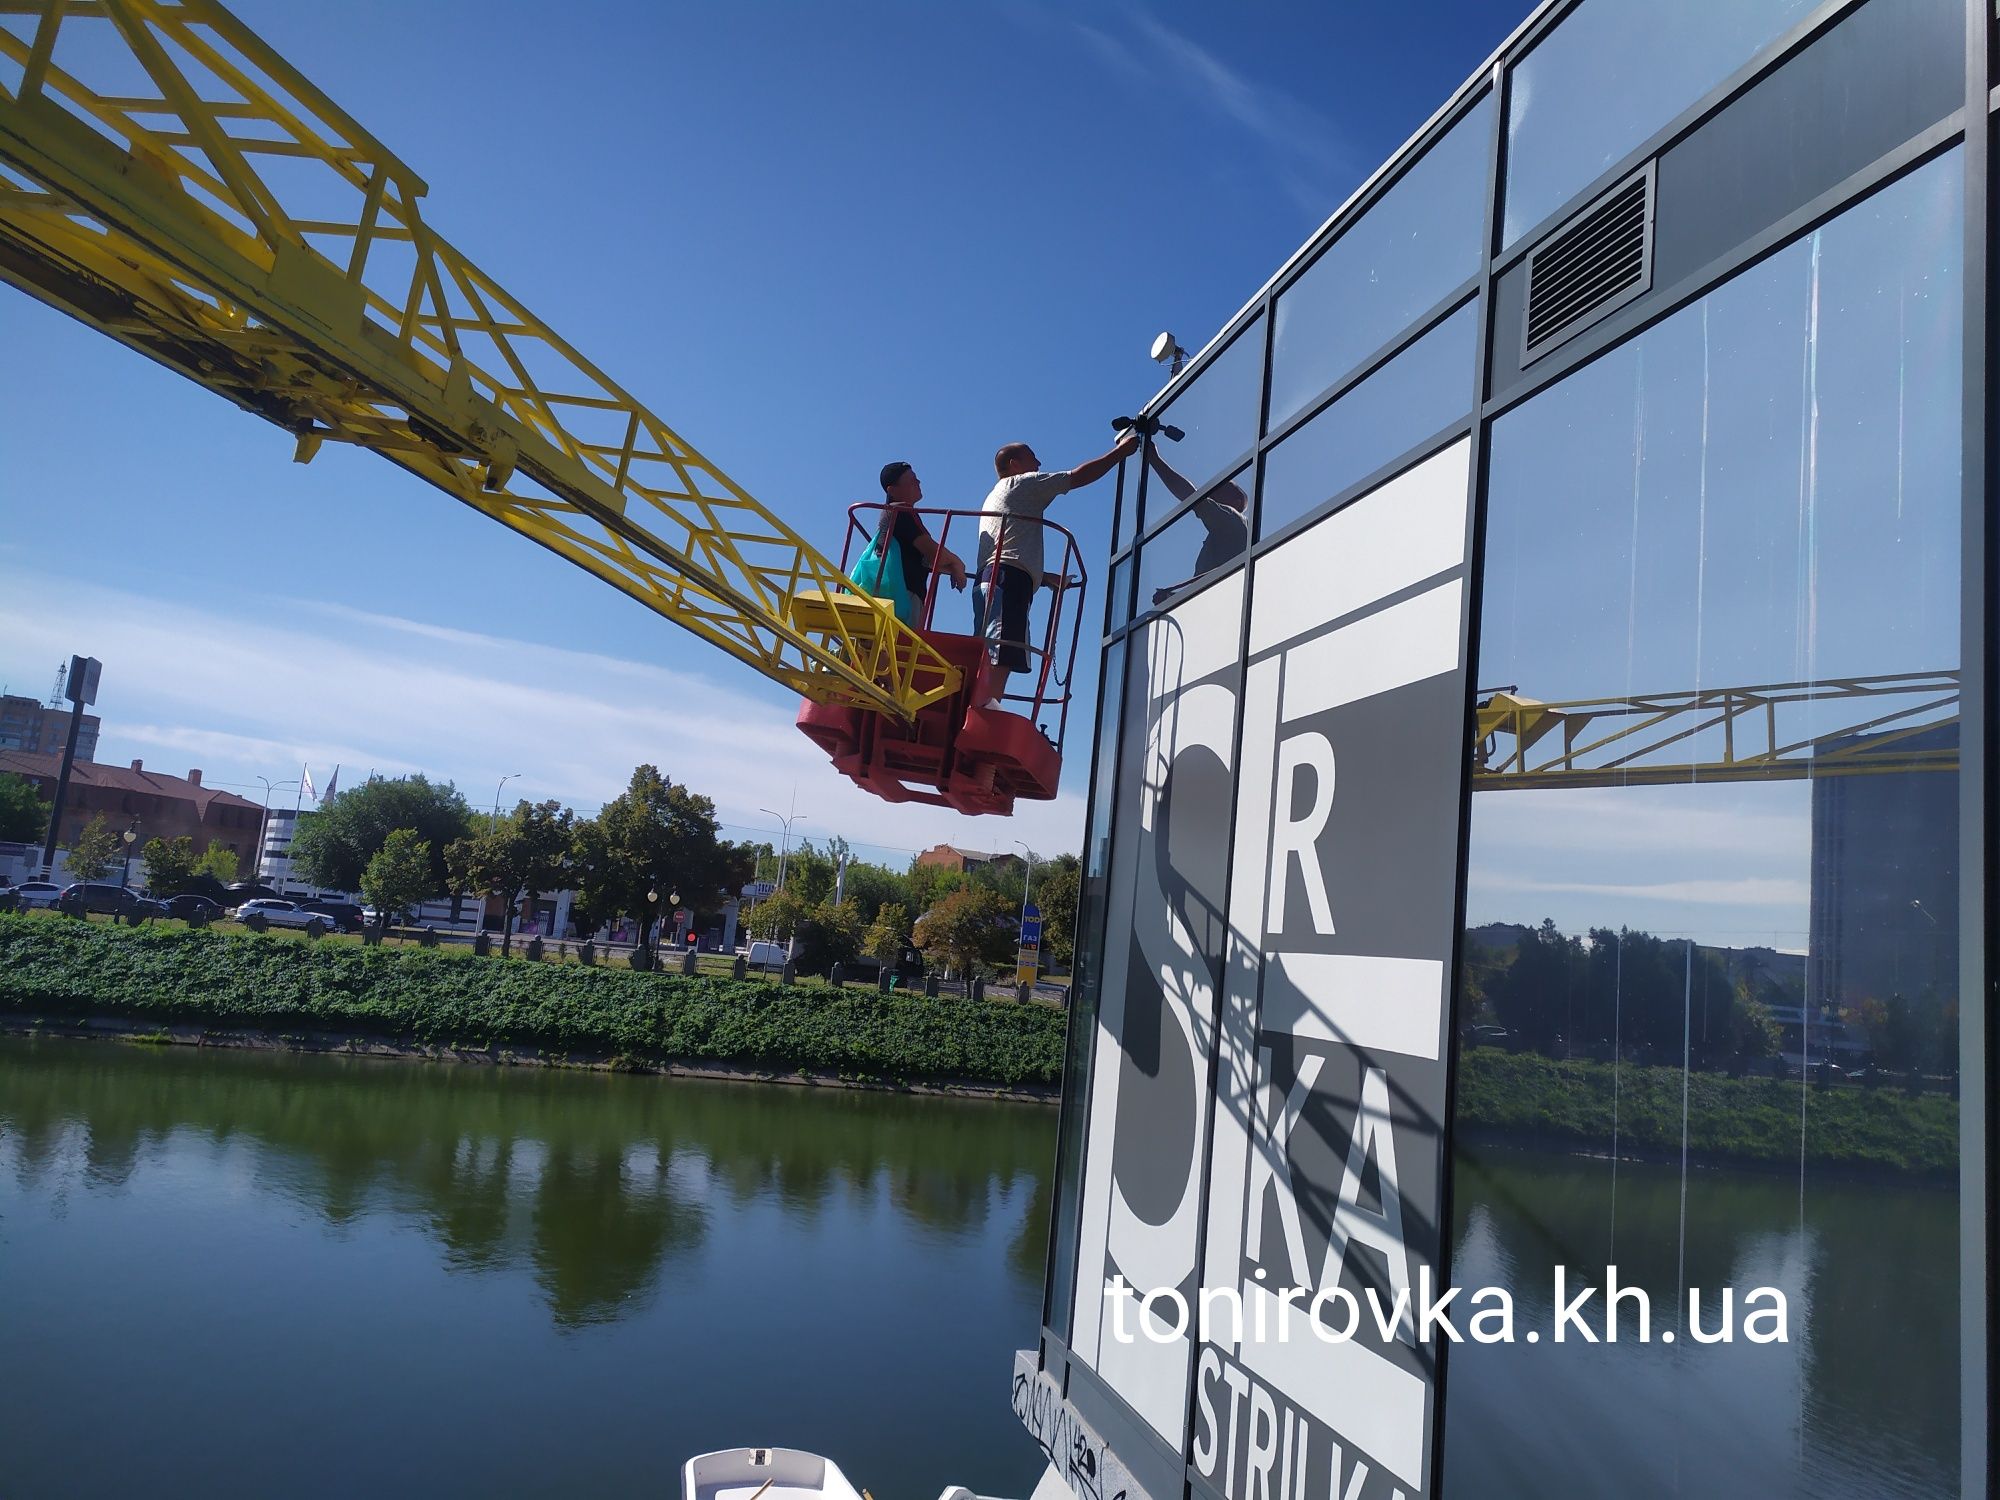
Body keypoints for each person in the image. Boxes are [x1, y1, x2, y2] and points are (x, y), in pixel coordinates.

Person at [975, 432, 1139, 707]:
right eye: (1032, 457)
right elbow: (1077, 477)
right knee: (1002, 653)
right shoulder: (1020, 483)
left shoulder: (996, 495)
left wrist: (1043, 577)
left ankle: (984, 706)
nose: (1039, 462)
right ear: (1015, 464)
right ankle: (984, 712)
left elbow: (1009, 547)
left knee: (994, 650)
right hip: (1007, 580)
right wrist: (1121, 452)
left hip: (993, 579)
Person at [856, 461, 966, 625]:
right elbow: (935, 554)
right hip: (901, 598)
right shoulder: (900, 511)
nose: (918, 482)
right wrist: (958, 563)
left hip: (896, 595)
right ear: (892, 490)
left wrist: (951, 568)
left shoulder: (893, 514)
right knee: (903, 648)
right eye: (912, 479)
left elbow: (922, 559)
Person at [1144, 444, 1248, 604]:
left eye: (1222, 490)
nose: (1213, 493)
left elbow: (1193, 499)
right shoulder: (1224, 533)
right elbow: (1201, 588)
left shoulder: (1232, 519)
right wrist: (1171, 599)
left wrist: (1155, 460)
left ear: (1237, 502)